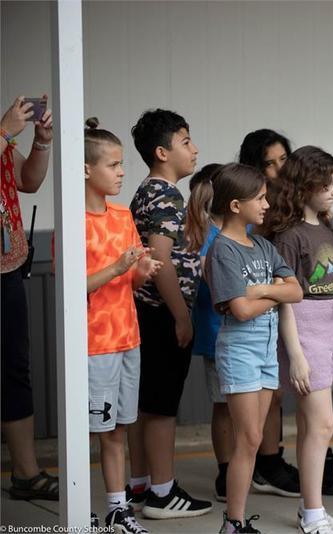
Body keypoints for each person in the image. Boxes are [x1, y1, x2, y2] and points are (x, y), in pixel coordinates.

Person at [205, 163, 303, 534]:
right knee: (247, 439)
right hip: (240, 349)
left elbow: (296, 291)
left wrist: (261, 290)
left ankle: (237, 521)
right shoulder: (223, 250)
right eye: (259, 198)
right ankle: (233, 523)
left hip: (266, 348)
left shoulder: (262, 245)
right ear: (235, 205)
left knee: (254, 438)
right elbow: (241, 311)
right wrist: (276, 293)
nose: (266, 205)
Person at [126, 108, 212, 518]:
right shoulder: (166, 195)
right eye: (185, 141)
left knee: (145, 404)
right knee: (161, 408)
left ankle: (140, 484)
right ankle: (162, 494)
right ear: (162, 152)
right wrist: (181, 315)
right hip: (161, 314)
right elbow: (159, 259)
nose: (194, 149)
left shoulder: (145, 191)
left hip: (144, 313)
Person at [264, 145, 333, 533]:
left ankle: (310, 508)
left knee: (312, 425)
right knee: (322, 424)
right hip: (304, 329)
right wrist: (295, 353)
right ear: (304, 184)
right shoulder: (289, 235)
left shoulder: (326, 227)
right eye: (327, 184)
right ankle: (313, 513)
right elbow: (285, 298)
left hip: (329, 325)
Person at [83, 118, 162, 533]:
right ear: (86, 170)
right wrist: (118, 267)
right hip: (93, 344)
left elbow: (128, 279)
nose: (120, 173)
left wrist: (141, 272)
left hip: (127, 337)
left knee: (117, 428)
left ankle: (118, 509)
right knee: (91, 429)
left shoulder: (121, 215)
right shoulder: (75, 221)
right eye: (112, 165)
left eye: (120, 164)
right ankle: (82, 508)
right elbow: (71, 286)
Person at [239, 128, 308, 498]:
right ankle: (257, 463)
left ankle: (271, 459)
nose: (280, 169)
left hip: (291, 302)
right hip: (257, 306)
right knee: (262, 391)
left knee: (279, 389)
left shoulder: (297, 198)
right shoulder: (253, 206)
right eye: (270, 163)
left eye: (284, 159)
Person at [0, 95, 57, 501]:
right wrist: (5, 131)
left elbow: (29, 181)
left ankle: (26, 474)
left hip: (7, 266)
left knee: (14, 368)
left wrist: (42, 141)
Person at [186, 163, 235, 502]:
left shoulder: (243, 232)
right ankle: (227, 469)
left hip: (241, 333)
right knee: (224, 405)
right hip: (219, 334)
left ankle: (239, 467)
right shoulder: (207, 237)